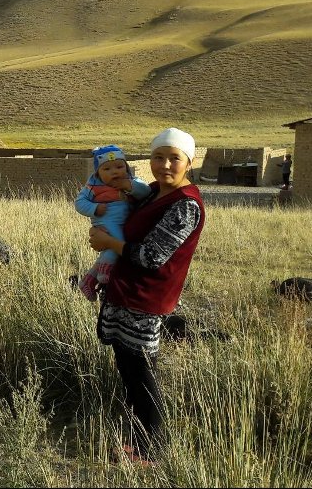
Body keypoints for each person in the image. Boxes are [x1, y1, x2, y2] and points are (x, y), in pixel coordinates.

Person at [89, 127, 205, 465]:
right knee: (129, 369)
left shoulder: (186, 205)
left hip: (146, 298)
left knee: (141, 374)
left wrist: (109, 244)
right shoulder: (152, 192)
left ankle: (152, 451)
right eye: (158, 157)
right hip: (127, 292)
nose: (165, 165)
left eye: (174, 159)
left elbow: (152, 257)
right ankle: (139, 441)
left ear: (189, 162)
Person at [75, 144, 152, 302]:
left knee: (111, 248)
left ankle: (88, 281)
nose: (114, 172)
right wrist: (94, 208)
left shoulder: (130, 181)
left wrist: (129, 186)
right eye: (107, 169)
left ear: (126, 167)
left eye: (119, 166)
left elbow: (146, 192)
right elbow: (79, 203)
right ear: (98, 173)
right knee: (116, 242)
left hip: (122, 222)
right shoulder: (93, 187)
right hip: (105, 220)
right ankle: (104, 276)